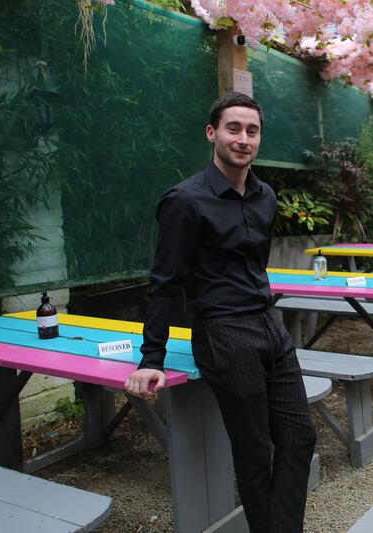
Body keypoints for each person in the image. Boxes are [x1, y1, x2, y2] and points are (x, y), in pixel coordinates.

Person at [124, 92, 316, 533]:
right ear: (212, 133)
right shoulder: (185, 201)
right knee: (254, 455)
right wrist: (151, 358)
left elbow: (256, 263)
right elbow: (165, 283)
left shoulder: (266, 196)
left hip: (270, 325)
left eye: (252, 130)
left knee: (300, 438)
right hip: (223, 334)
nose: (243, 139)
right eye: (233, 128)